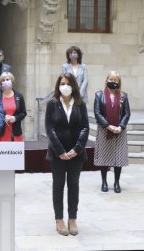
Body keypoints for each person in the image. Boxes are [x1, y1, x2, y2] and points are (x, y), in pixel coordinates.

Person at [45, 72, 89, 236]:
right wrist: (61, 151)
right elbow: (50, 129)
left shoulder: (80, 104)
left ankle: (72, 218)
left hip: (76, 154)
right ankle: (59, 219)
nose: (65, 86)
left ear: (74, 86)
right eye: (62, 83)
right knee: (58, 185)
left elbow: (85, 128)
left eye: (68, 83)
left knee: (73, 185)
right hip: (57, 154)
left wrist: (76, 149)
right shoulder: (52, 104)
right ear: (58, 85)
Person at [93, 71, 130, 193]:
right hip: (105, 130)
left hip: (119, 132)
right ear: (106, 80)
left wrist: (121, 126)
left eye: (116, 80)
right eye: (111, 79)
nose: (113, 82)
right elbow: (97, 113)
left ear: (119, 82)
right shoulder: (99, 95)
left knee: (117, 158)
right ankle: (104, 182)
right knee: (104, 157)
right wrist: (108, 126)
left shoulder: (124, 96)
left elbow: (126, 113)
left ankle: (116, 183)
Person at [0, 72, 26, 142]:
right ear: (1, 83)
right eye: (3, 80)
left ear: (12, 81)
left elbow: (23, 113)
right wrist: (2, 118)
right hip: (1, 133)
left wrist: (15, 118)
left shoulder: (19, 96)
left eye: (7, 79)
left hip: (15, 133)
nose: (5, 81)